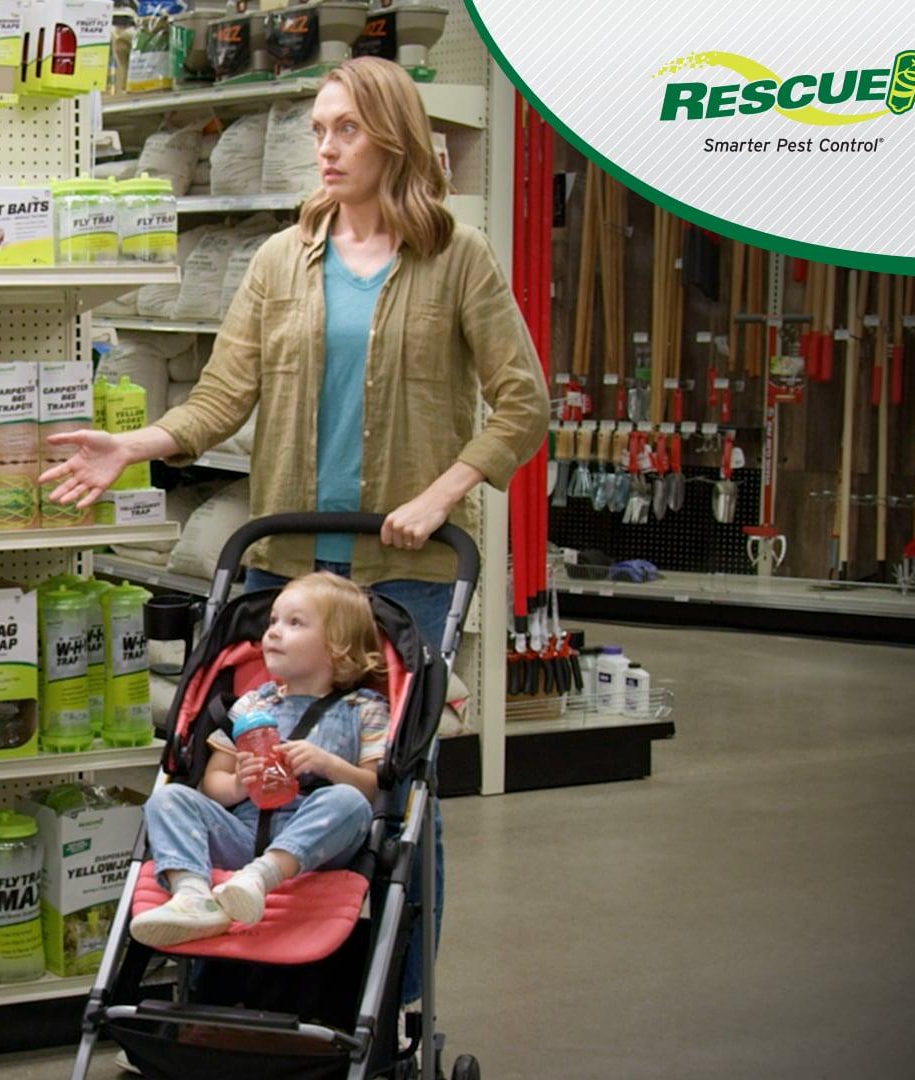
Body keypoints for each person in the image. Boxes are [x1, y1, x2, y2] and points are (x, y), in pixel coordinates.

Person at [43, 55, 545, 1006]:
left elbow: (522, 404)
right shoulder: (281, 260)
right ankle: (236, 987)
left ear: (393, 136)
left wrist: (441, 496)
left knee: (393, 785)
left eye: (345, 128)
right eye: (317, 129)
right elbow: (221, 398)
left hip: (406, 574)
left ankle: (388, 1000)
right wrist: (134, 444)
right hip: (284, 569)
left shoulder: (458, 258)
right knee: (254, 765)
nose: (324, 147)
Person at [131, 573, 389, 947]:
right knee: (167, 798)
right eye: (272, 621)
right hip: (245, 833)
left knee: (349, 801)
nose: (274, 632)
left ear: (337, 647)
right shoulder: (252, 704)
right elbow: (212, 785)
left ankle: (261, 876)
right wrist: (239, 783)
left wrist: (328, 765)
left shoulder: (364, 708)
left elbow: (372, 788)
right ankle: (193, 894)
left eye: (295, 623)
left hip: (318, 842)